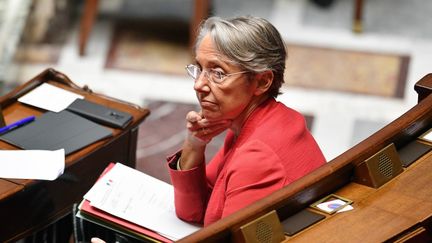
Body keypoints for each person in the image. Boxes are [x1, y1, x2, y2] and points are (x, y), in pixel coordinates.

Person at [167, 15, 326, 227]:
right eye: (200, 69)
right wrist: (194, 144)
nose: (199, 84)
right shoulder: (250, 121)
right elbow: (194, 210)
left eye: (218, 73)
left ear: (262, 81)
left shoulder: (258, 157)